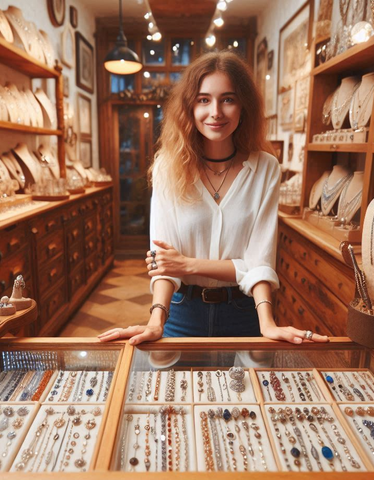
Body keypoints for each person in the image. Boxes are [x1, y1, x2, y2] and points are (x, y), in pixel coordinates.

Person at [99, 51, 328, 347]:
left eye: (228, 99)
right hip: (182, 314)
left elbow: (259, 261)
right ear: (189, 107)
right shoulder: (168, 167)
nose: (216, 112)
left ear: (243, 106)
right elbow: (165, 264)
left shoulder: (265, 168)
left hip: (245, 313)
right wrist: (156, 320)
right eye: (204, 99)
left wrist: (267, 323)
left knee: (245, 393)